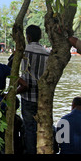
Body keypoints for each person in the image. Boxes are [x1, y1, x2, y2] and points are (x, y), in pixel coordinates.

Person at [0, 39, 27, 154]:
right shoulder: (3, 68)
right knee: (2, 139)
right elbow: (24, 84)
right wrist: (9, 94)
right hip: (0, 106)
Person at [18, 24, 50, 154]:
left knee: (29, 128)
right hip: (42, 97)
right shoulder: (47, 54)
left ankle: (30, 151)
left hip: (27, 95)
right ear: (40, 37)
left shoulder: (24, 51)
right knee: (42, 127)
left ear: (28, 37)